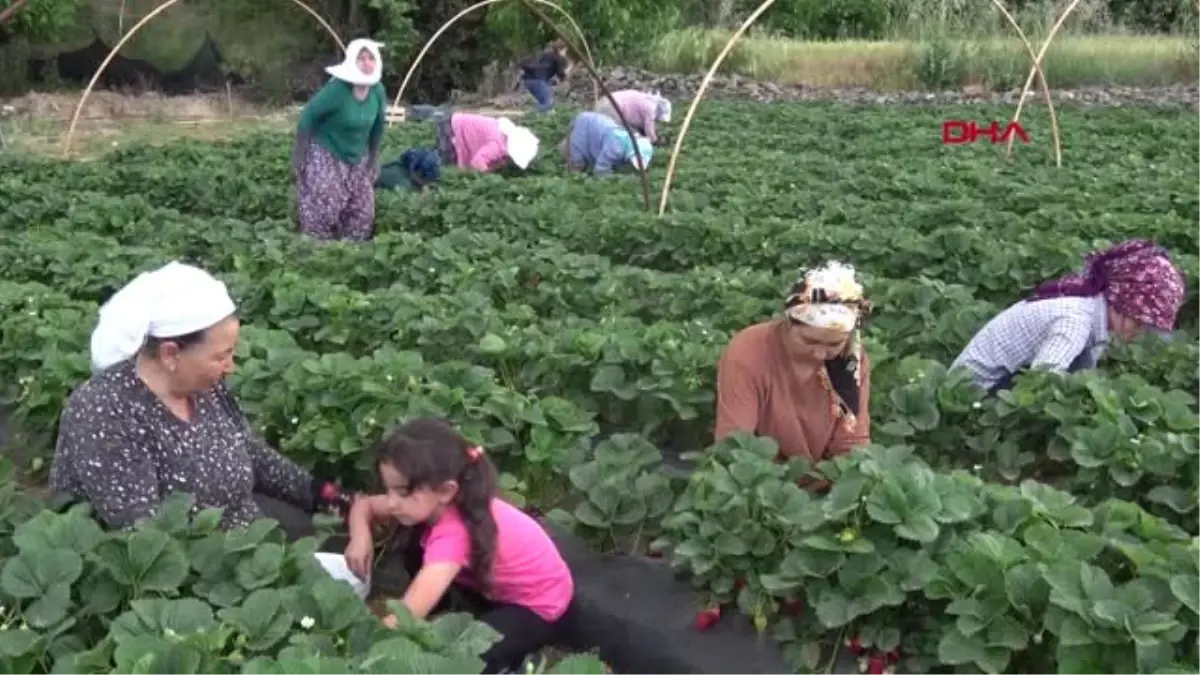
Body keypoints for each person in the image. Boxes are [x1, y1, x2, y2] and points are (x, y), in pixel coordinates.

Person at [49, 262, 353, 542]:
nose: (231, 366)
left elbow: (248, 451)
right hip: (196, 568)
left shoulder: (205, 387)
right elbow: (144, 534)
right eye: (221, 356)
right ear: (170, 354)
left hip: (243, 534)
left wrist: (325, 495)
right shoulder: (104, 410)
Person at [345, 418, 578, 675]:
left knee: (466, 657)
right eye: (388, 490)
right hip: (494, 584)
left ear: (446, 490)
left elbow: (407, 616)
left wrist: (356, 651)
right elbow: (363, 504)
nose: (390, 503)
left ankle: (514, 665)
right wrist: (360, 537)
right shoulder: (442, 501)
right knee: (413, 541)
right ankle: (444, 605)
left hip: (538, 604)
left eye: (402, 492)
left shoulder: (454, 535)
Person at [951, 238, 1186, 393]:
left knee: (1081, 371)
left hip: (996, 380)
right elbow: (1040, 381)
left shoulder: (1090, 307)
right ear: (1123, 302)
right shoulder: (1075, 323)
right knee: (1064, 381)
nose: (1140, 330)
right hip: (972, 392)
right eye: (1140, 320)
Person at [714, 261, 872, 481]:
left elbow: (851, 441)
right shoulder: (748, 352)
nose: (819, 353)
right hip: (759, 482)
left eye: (833, 345)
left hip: (825, 484)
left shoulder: (851, 357)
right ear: (787, 322)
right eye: (809, 341)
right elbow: (735, 442)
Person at [292, 38, 388, 242]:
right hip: (327, 151)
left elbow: (378, 126)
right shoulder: (337, 90)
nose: (366, 63)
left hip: (357, 154)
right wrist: (299, 158)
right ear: (352, 62)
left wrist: (374, 158)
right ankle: (318, 250)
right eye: (361, 58)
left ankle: (350, 253)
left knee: (362, 209)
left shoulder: (377, 91)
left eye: (370, 58)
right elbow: (307, 117)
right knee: (324, 202)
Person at [434, 112, 539, 173]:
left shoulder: (505, 134)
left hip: (456, 124)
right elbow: (477, 162)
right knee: (445, 167)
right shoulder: (498, 145)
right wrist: (487, 178)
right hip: (451, 128)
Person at [560, 111, 654, 177]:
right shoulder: (616, 147)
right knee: (577, 158)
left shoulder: (632, 142)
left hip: (598, 124)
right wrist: (618, 178)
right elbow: (601, 170)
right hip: (586, 125)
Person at [594, 89, 672, 144]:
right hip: (612, 106)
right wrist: (655, 140)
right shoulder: (650, 108)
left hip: (605, 102)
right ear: (660, 110)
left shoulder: (646, 99)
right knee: (619, 132)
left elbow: (637, 123)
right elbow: (649, 130)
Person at [519, 39, 570, 113]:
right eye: (565, 51)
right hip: (538, 81)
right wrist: (567, 71)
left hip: (528, 80)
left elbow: (544, 69)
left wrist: (552, 81)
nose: (565, 53)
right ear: (560, 49)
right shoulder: (559, 58)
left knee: (543, 102)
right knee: (549, 104)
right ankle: (529, 114)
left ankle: (537, 118)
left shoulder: (545, 54)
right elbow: (561, 75)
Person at [375, 148, 441, 193]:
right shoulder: (403, 184)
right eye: (426, 179)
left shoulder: (400, 166)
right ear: (417, 173)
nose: (427, 183)